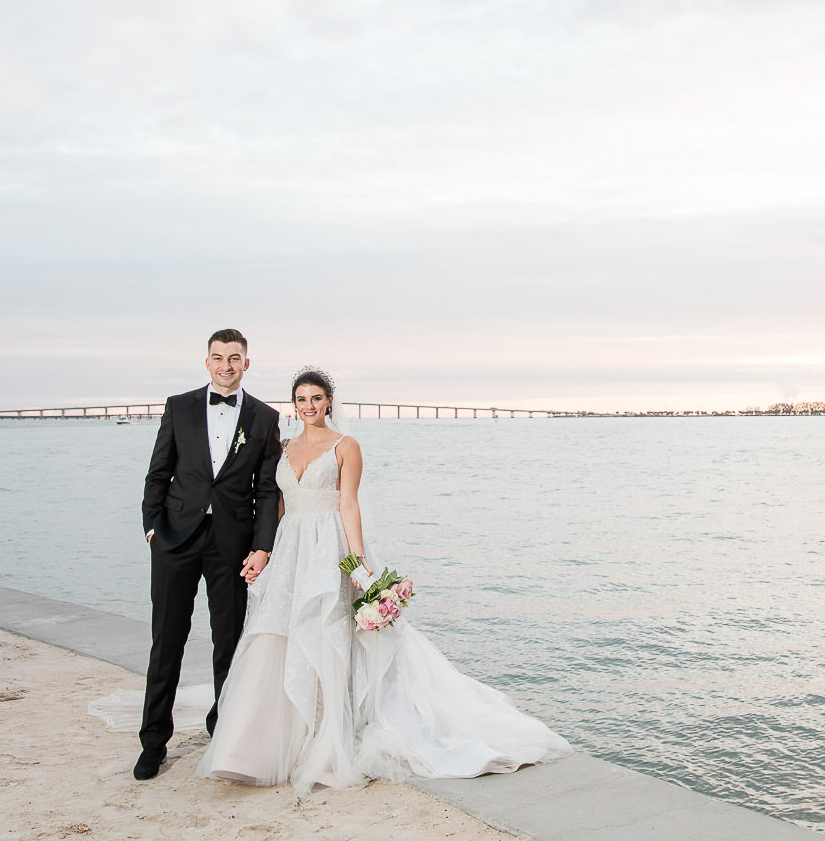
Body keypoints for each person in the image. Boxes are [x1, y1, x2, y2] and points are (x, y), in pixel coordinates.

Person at [196, 367, 570, 792]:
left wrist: (356, 560)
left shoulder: (346, 445)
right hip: (292, 548)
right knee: (279, 634)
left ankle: (329, 736)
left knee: (328, 635)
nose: (309, 406)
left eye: (316, 398)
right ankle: (262, 745)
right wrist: (265, 551)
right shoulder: (283, 447)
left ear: (329, 402)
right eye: (301, 399)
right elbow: (278, 505)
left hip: (328, 546)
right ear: (293, 405)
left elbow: (349, 504)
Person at [134, 329, 283, 780]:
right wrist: (151, 528)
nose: (226, 366)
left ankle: (225, 734)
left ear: (246, 364)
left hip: (231, 547)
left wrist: (262, 546)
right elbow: (158, 472)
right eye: (218, 358)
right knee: (166, 642)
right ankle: (153, 743)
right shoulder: (178, 406)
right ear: (207, 363)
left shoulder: (264, 417)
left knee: (230, 644)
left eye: (234, 358)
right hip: (175, 540)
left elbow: (266, 490)